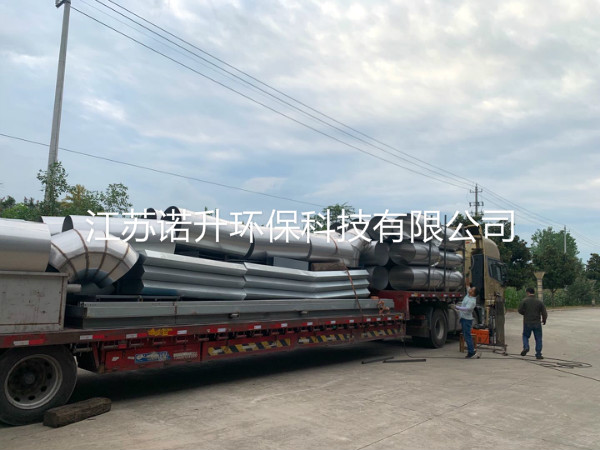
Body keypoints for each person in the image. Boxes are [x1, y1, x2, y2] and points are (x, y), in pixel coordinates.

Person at [518, 287, 548, 360]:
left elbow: (519, 310)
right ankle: (538, 354)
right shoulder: (539, 302)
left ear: (528, 292)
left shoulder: (524, 301)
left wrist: (525, 313)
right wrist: (544, 320)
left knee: (525, 335)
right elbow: (544, 312)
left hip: (527, 322)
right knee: (538, 338)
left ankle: (526, 347)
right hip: (537, 322)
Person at [453, 286, 478, 358]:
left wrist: (456, 307)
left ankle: (471, 351)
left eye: (471, 289)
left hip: (467, 320)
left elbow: (466, 308)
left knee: (467, 335)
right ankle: (471, 350)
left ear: (473, 293)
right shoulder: (468, 295)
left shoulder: (472, 301)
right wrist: (466, 279)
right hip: (464, 318)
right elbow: (467, 285)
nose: (470, 289)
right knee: (466, 335)